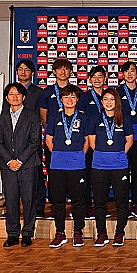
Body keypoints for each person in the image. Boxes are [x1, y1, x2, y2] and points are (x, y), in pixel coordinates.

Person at [0, 83, 41, 247]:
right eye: (11, 94)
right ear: (6, 98)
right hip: (8, 165)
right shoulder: (1, 118)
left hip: (28, 164)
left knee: (29, 200)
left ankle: (27, 233)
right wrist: (10, 160)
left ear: (24, 97)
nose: (15, 97)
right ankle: (12, 234)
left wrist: (20, 160)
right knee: (11, 199)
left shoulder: (32, 116)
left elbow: (35, 142)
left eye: (18, 94)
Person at [87, 88, 134, 247]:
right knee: (99, 201)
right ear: (101, 102)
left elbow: (129, 141)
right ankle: (101, 233)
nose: (108, 102)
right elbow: (92, 142)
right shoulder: (94, 119)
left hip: (119, 165)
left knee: (121, 201)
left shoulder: (124, 120)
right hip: (99, 165)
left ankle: (120, 233)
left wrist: (119, 154)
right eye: (105, 99)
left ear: (117, 102)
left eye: (112, 99)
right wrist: (103, 154)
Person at [45, 85, 89, 248]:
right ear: (61, 99)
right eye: (66, 97)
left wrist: (80, 155)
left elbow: (87, 140)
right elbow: (49, 140)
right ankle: (60, 233)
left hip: (77, 163)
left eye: (73, 97)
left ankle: (78, 232)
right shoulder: (54, 117)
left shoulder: (84, 118)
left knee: (78, 200)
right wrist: (58, 153)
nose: (69, 100)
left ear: (77, 99)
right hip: (58, 164)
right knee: (58, 201)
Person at [38, 58, 73, 220]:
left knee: (74, 171)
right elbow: (44, 117)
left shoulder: (76, 92)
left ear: (71, 72)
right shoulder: (46, 92)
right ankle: (55, 203)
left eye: (66, 69)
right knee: (54, 173)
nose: (63, 71)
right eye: (59, 68)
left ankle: (74, 203)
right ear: (54, 71)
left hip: (74, 140)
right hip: (54, 139)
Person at [116, 61, 137, 219]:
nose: (129, 74)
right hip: (121, 137)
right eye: (126, 71)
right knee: (121, 173)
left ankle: (135, 204)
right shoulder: (116, 93)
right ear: (122, 74)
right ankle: (122, 204)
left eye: (132, 71)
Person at [15, 59, 45, 219]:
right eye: (20, 69)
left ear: (32, 73)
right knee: (13, 174)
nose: (23, 72)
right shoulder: (11, 91)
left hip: (32, 140)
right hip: (13, 142)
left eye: (27, 69)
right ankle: (13, 206)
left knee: (37, 173)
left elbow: (41, 117)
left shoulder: (39, 92)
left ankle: (39, 206)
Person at [80, 66, 107, 220]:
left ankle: (100, 205)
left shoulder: (110, 95)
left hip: (107, 140)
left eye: (100, 76)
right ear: (89, 79)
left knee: (102, 176)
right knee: (88, 174)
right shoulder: (84, 97)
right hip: (89, 139)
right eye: (94, 77)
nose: (97, 80)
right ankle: (87, 206)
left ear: (105, 78)